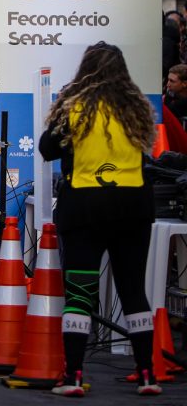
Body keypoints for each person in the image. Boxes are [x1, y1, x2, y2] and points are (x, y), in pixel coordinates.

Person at [39, 43, 161, 397]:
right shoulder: (134, 109)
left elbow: (48, 149)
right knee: (133, 290)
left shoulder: (74, 107)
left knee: (79, 293)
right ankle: (147, 375)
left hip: (85, 207)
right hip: (133, 207)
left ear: (85, 69)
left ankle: (74, 376)